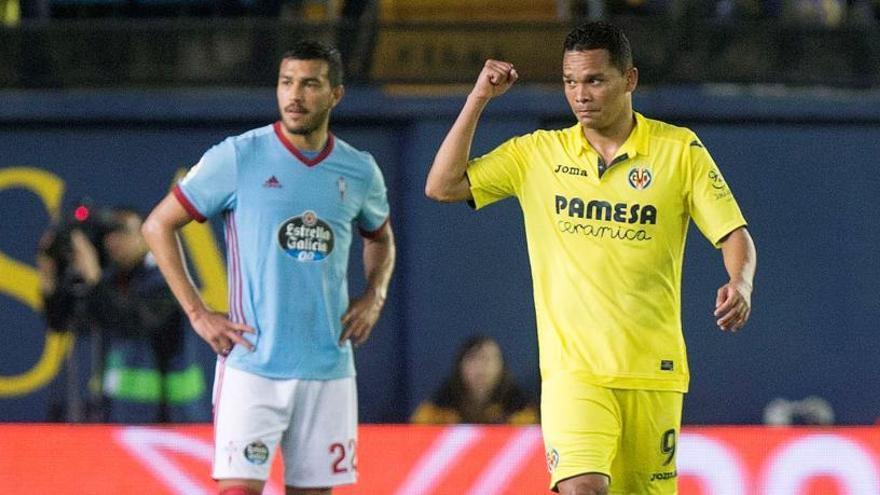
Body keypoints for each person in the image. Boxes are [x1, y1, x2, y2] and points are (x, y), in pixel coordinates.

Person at [425, 21, 756, 495]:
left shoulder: (679, 151)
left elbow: (734, 233)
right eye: (570, 81)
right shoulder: (537, 154)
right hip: (572, 374)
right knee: (585, 488)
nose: (580, 94)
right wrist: (478, 98)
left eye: (595, 80)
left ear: (630, 80)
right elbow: (441, 185)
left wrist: (740, 282)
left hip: (653, 372)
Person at [142, 40, 395, 495]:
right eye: (286, 82)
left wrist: (374, 295)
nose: (294, 95)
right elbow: (158, 226)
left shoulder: (359, 171)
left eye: (310, 84)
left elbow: (381, 238)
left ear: (336, 94)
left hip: (328, 367)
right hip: (253, 364)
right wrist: (199, 313)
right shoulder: (239, 157)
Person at [38, 206, 207, 423]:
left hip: (172, 418)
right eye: (108, 234)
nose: (113, 241)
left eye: (122, 231)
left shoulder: (166, 281)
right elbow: (62, 322)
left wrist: (93, 277)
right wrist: (48, 276)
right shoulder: (113, 280)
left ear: (147, 235)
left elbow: (131, 323)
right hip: (118, 417)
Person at [410, 335, 538, 425]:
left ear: (502, 367)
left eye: (488, 359)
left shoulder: (522, 412)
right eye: (473, 358)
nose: (481, 367)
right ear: (460, 366)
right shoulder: (435, 411)